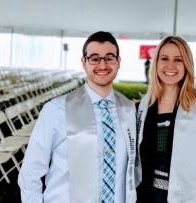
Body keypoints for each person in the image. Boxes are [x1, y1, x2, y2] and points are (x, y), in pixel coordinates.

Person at [18, 31, 137, 203]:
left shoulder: (129, 110)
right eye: (94, 58)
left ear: (118, 62)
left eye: (109, 58)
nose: (102, 65)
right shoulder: (56, 110)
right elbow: (31, 172)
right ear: (84, 62)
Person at [135, 36, 196, 203]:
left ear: (187, 65)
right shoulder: (141, 109)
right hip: (148, 197)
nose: (170, 65)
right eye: (164, 59)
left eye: (178, 60)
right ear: (156, 63)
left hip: (190, 197)